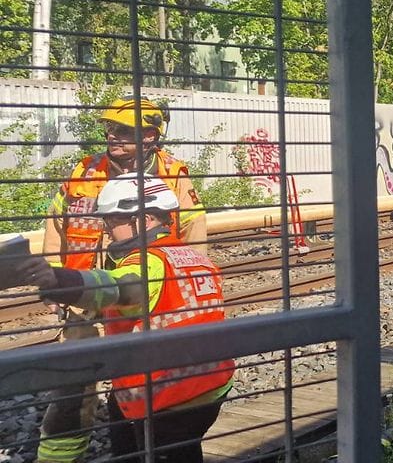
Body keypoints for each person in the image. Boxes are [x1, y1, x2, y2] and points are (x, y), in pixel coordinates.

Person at [9, 174, 233, 463]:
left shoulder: (148, 262)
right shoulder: (191, 256)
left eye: (113, 220)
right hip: (209, 385)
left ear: (145, 219)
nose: (106, 228)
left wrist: (57, 280)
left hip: (169, 398)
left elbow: (117, 288)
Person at [37, 97, 207, 463]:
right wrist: (54, 278)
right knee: (75, 382)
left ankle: (142, 443)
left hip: (145, 293)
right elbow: (56, 226)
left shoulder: (173, 173)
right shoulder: (84, 171)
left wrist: (190, 277)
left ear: (150, 136)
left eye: (124, 131)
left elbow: (194, 227)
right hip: (84, 293)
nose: (113, 136)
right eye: (110, 128)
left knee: (143, 374)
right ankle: (61, 456)